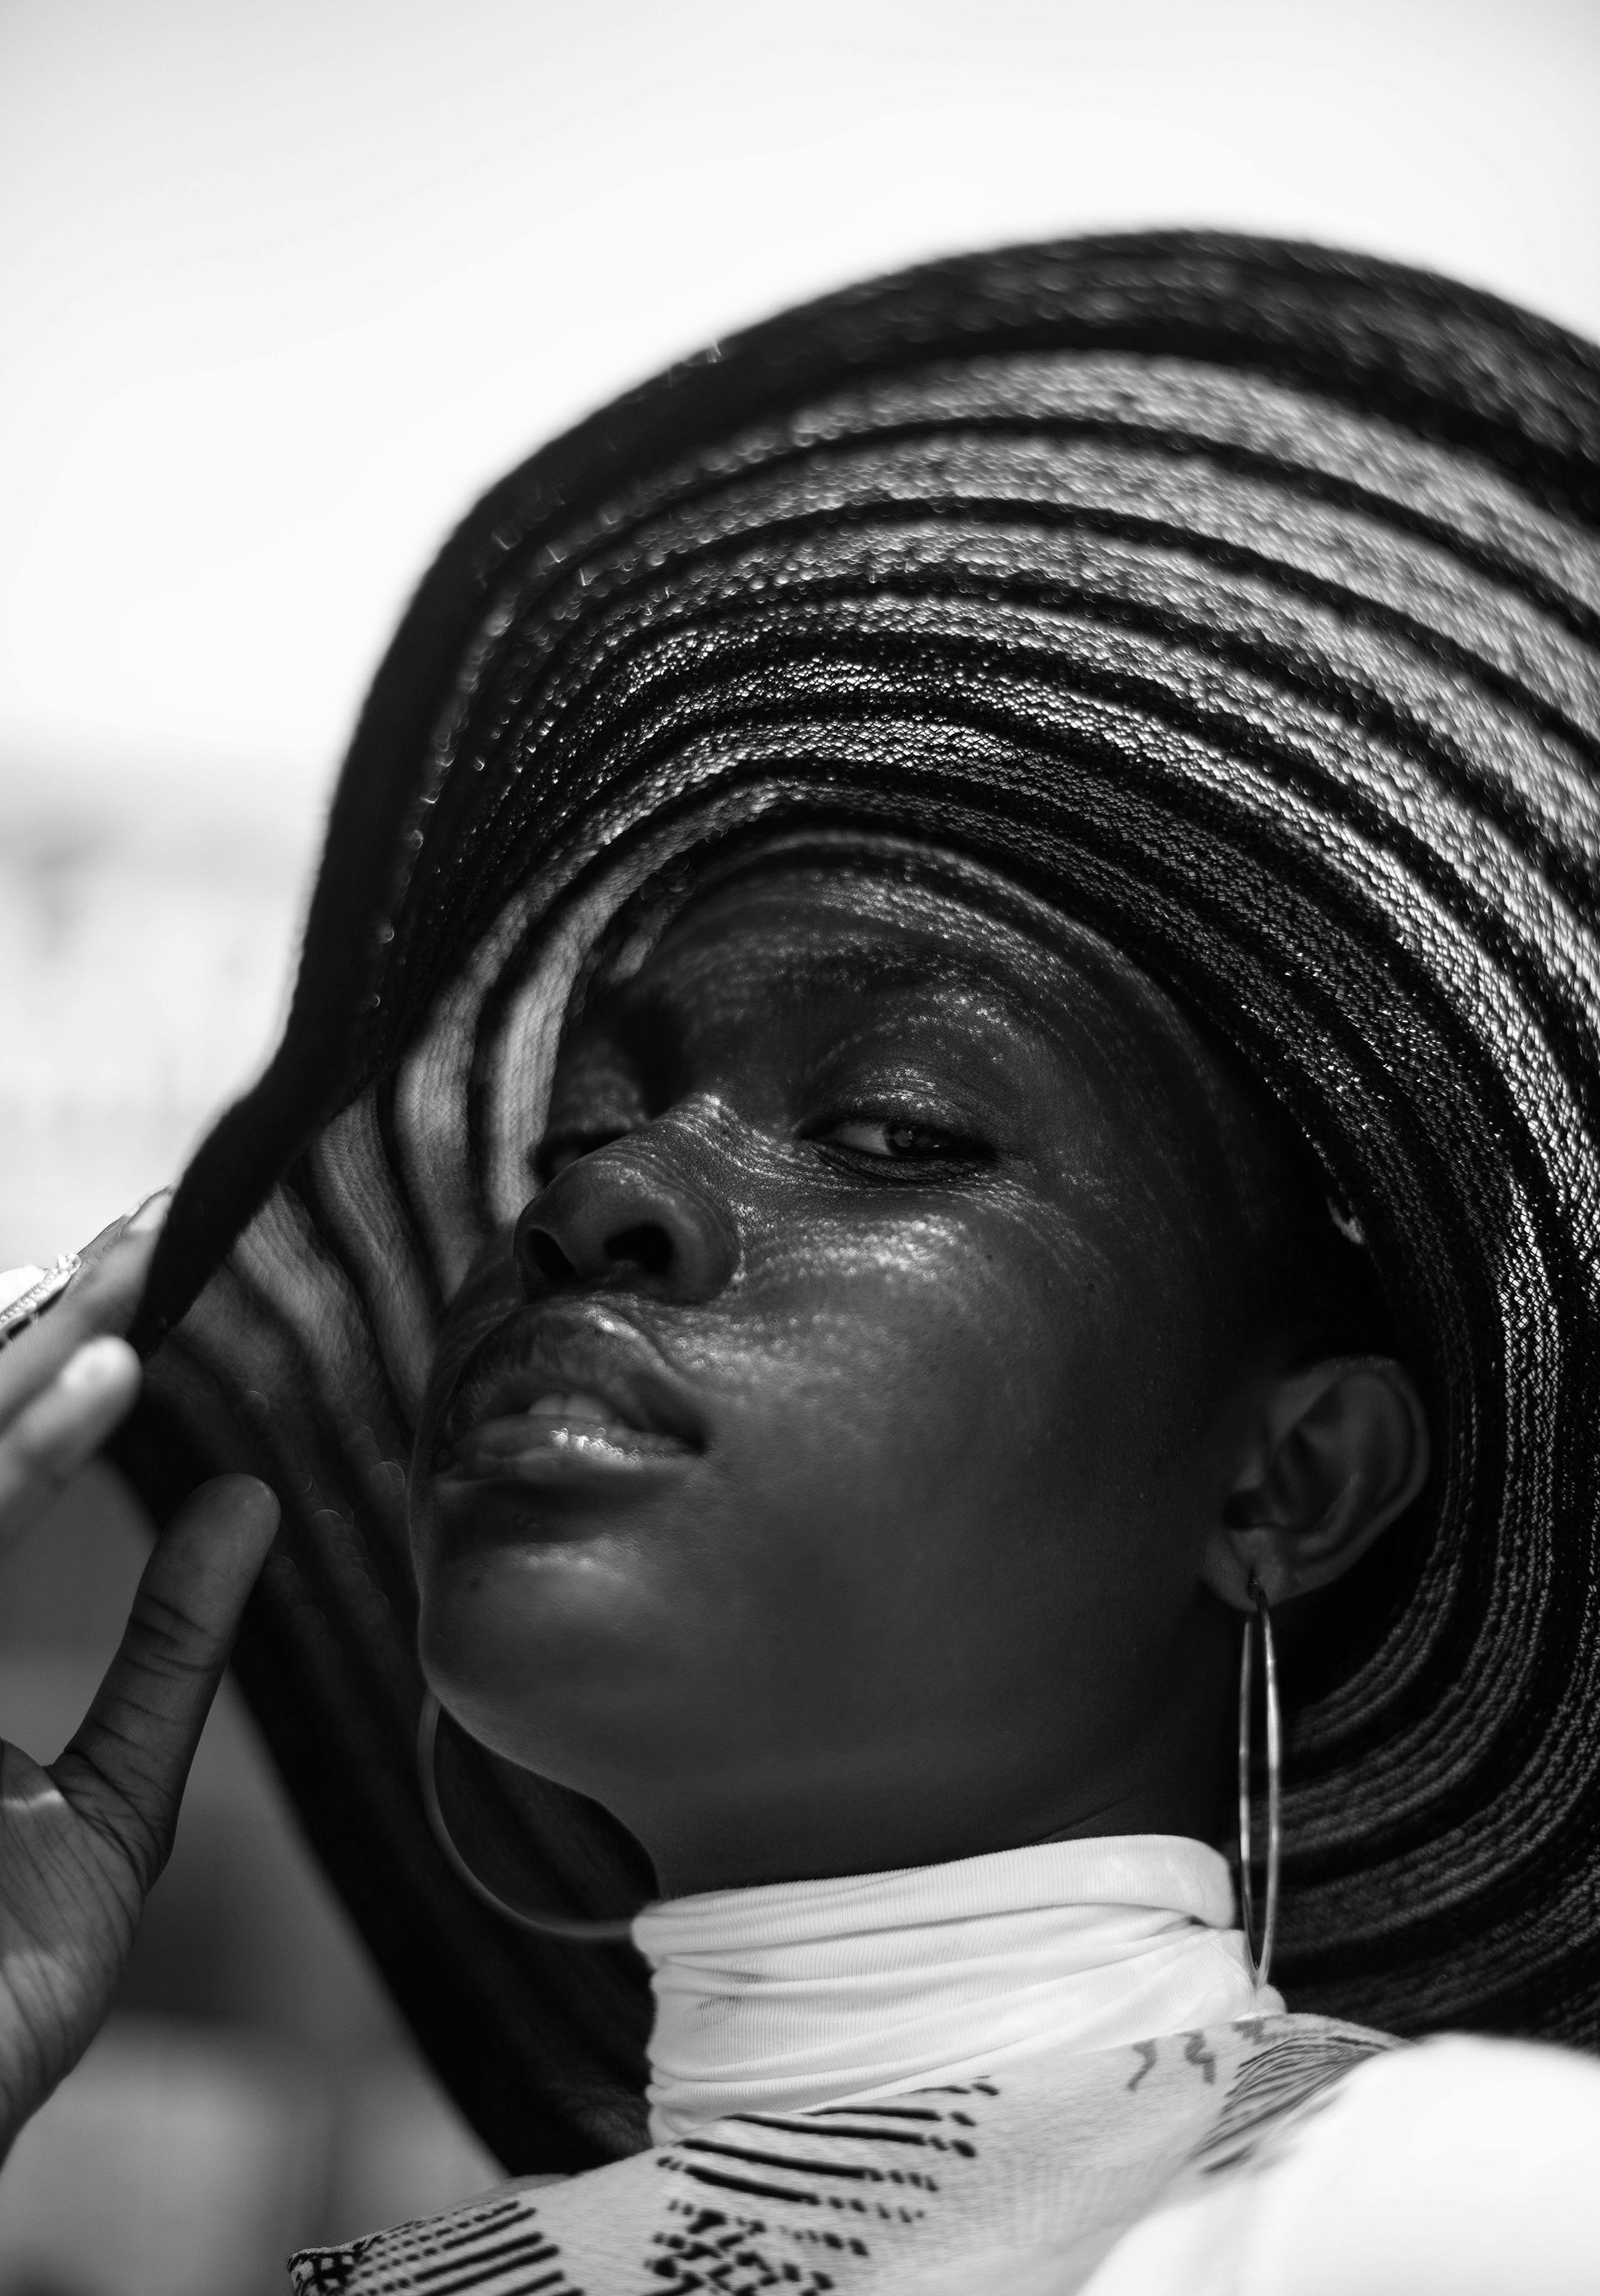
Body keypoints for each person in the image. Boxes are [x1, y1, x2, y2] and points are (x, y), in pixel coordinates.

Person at [2, 231, 1600, 2291]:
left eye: (894, 1130)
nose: (603, 1202)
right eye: (580, 1134)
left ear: (1288, 1482)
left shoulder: (1483, 2218)